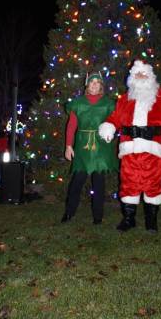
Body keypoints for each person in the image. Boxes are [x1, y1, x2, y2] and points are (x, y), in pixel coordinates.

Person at [99, 53, 161, 233]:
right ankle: (129, 219)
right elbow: (115, 118)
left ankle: (151, 221)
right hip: (129, 149)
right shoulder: (124, 99)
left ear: (150, 77)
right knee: (128, 184)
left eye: (144, 74)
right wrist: (108, 126)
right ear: (132, 78)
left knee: (152, 184)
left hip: (152, 150)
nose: (141, 77)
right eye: (137, 74)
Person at [62, 72, 119, 224]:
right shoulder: (78, 103)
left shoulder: (108, 103)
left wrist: (111, 130)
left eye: (97, 82)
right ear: (87, 85)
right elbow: (71, 126)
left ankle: (98, 216)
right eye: (91, 82)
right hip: (82, 146)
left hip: (100, 146)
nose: (94, 84)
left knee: (99, 183)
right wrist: (68, 145)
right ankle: (69, 213)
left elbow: (115, 121)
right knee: (77, 182)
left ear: (101, 85)